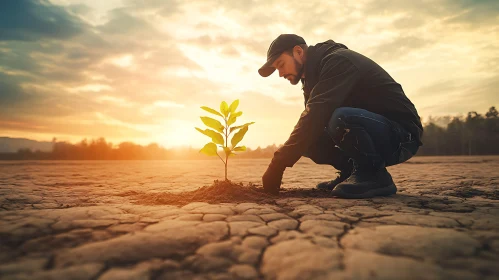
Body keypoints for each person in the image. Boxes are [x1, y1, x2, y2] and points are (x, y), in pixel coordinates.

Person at [259, 34, 423, 198]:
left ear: (298, 52)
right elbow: (310, 124)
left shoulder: (338, 61)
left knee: (341, 118)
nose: (280, 74)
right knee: (309, 139)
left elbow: (315, 114)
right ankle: (351, 172)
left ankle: (374, 175)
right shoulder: (311, 80)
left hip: (402, 136)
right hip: (373, 131)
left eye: (280, 65)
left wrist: (277, 164)